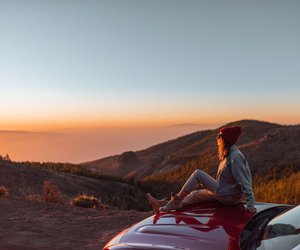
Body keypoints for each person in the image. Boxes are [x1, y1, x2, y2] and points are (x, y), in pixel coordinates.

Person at [146, 126, 257, 213]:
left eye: (219, 137)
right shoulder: (229, 153)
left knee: (197, 174)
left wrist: (250, 203)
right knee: (195, 195)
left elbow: (245, 181)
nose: (217, 140)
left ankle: (175, 202)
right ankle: (164, 204)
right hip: (226, 193)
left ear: (224, 140)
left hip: (228, 196)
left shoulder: (235, 158)